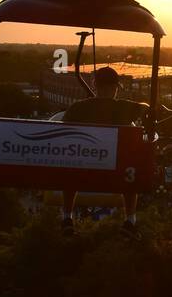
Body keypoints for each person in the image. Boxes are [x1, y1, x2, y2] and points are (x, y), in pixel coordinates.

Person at [59, 66, 146, 234]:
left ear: (94, 86)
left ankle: (67, 216)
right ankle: (130, 219)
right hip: (116, 173)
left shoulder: (77, 108)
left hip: (82, 171)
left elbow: (63, 134)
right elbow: (146, 108)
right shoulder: (124, 108)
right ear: (115, 88)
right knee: (130, 168)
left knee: (70, 166)